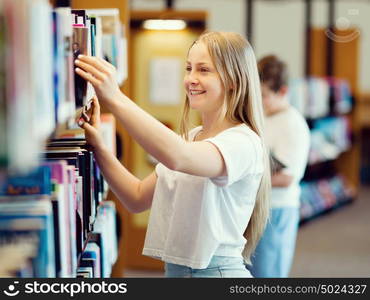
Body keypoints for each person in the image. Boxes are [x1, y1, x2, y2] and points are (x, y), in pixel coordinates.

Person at [75, 31, 271, 278]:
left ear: (233, 80)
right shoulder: (192, 137)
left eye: (204, 70)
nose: (191, 79)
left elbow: (179, 157)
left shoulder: (243, 142)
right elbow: (136, 198)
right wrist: (100, 148)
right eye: (189, 68)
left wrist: (115, 98)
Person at [249, 55, 310, 278]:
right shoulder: (261, 116)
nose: (258, 100)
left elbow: (287, 178)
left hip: (277, 210)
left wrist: (244, 180)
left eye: (264, 95)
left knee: (268, 275)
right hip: (254, 207)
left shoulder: (293, 124)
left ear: (283, 92)